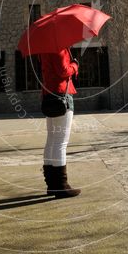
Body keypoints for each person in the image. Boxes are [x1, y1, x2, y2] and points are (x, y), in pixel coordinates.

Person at [39, 48, 81, 198]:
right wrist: (75, 65)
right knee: (60, 143)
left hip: (49, 94)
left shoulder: (44, 49)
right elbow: (63, 71)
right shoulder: (59, 46)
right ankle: (61, 185)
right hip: (61, 95)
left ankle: (52, 184)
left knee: (51, 141)